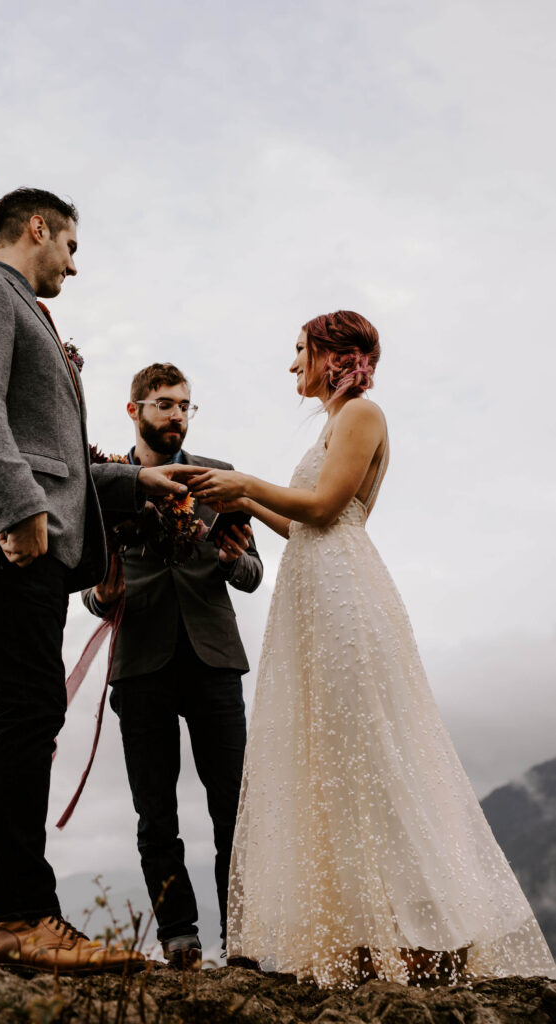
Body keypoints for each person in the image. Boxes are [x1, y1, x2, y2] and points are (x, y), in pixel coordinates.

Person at [189, 311, 556, 987]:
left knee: (369, 756)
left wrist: (242, 481)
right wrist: (240, 509)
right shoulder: (336, 422)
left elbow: (326, 507)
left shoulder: (361, 414)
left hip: (343, 600)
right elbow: (299, 520)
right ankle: (364, 935)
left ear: (332, 355)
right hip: (313, 591)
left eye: (300, 351)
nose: (291, 364)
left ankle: (423, 937)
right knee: (330, 760)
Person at [0, 188, 190, 974]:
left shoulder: (26, 312)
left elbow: (62, 458)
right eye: (70, 248)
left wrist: (134, 484)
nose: (74, 267)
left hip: (25, 532)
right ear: (36, 229)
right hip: (13, 539)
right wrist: (18, 511)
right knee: (32, 709)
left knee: (5, 717)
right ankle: (24, 914)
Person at [82, 363, 263, 968]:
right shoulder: (104, 484)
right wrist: (102, 597)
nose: (176, 415)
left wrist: (236, 559)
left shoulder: (222, 480)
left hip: (214, 659)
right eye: (163, 404)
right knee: (155, 811)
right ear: (134, 411)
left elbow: (253, 575)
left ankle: (243, 939)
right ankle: (178, 937)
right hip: (139, 663)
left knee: (232, 804)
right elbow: (87, 583)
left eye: (185, 405)